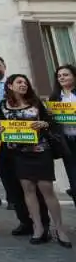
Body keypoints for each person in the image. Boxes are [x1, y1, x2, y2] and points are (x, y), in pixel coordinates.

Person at [0, 74, 71, 249]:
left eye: (25, 82)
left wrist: (43, 124)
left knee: (46, 190)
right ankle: (38, 227)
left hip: (40, 150)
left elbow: (50, 123)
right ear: (10, 86)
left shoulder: (36, 103)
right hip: (19, 154)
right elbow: (2, 129)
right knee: (28, 190)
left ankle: (60, 228)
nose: (23, 85)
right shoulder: (2, 106)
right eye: (19, 82)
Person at [0, 55, 49, 235]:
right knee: (11, 185)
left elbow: (40, 113)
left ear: (4, 66)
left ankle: (43, 223)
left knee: (32, 184)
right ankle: (25, 221)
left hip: (27, 145)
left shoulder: (20, 85)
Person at [50, 64, 76, 205]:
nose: (62, 78)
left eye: (65, 75)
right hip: (67, 143)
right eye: (59, 76)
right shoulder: (55, 97)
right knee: (74, 181)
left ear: (74, 76)